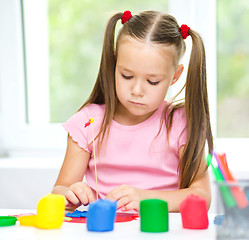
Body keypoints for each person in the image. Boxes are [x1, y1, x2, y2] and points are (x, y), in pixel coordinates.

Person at [52, 10, 213, 212]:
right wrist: (70, 195)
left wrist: (146, 198)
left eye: (152, 81)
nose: (137, 91)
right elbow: (59, 191)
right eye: (127, 76)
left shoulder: (181, 123)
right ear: (114, 64)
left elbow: (202, 196)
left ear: (175, 76)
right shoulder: (87, 123)